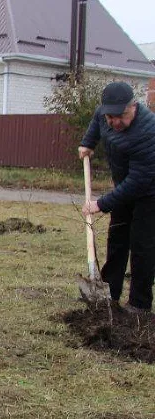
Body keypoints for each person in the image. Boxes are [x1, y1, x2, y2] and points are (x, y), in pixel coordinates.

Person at [79, 81, 155, 314]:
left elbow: (138, 182)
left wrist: (101, 204)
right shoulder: (106, 114)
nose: (114, 122)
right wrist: (88, 143)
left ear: (133, 106)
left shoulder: (148, 131)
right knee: (117, 240)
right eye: (110, 117)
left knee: (143, 246)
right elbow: (96, 122)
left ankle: (139, 304)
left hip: (149, 192)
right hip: (124, 185)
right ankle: (109, 293)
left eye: (120, 117)